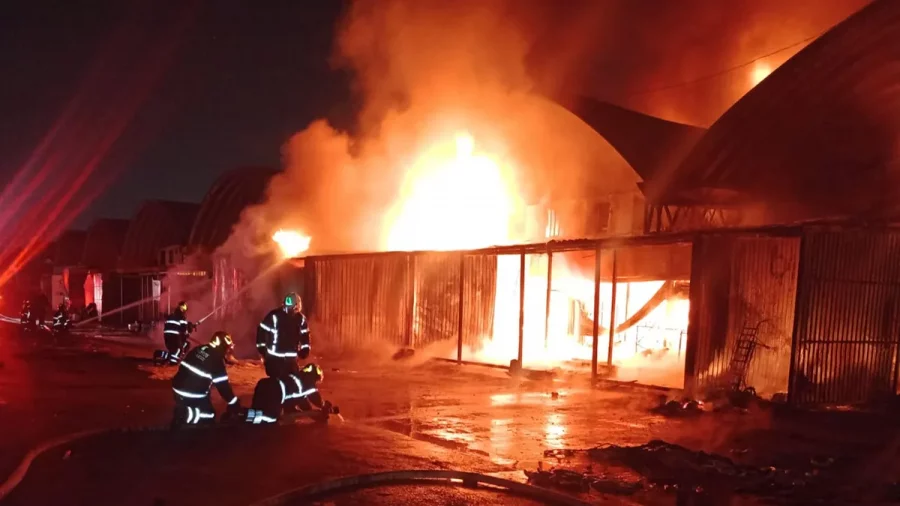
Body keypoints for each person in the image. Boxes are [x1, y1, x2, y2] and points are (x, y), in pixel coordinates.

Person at [171, 331, 241, 428]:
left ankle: (185, 407)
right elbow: (223, 387)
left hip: (177, 387)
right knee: (209, 415)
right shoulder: (216, 359)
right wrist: (234, 403)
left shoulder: (200, 349)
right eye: (227, 348)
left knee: (206, 400)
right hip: (190, 392)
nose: (227, 351)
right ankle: (185, 414)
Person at [246, 363, 334, 424]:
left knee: (257, 410)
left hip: (265, 384)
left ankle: (244, 416)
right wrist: (324, 406)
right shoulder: (308, 383)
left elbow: (304, 406)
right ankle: (243, 417)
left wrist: (317, 417)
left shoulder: (298, 380)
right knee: (269, 418)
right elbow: (316, 399)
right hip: (276, 391)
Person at [255, 292, 311, 378]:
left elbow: (305, 335)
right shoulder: (275, 316)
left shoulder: (300, 319)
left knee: (289, 384)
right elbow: (262, 330)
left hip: (288, 361)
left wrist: (305, 350)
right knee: (279, 384)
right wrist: (262, 348)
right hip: (275, 360)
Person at [162, 301, 195, 365]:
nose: (186, 308)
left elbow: (176, 325)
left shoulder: (172, 315)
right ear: (181, 307)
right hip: (175, 336)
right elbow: (183, 329)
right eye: (185, 306)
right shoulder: (181, 316)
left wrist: (189, 325)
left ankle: (162, 355)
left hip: (167, 336)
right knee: (180, 348)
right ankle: (173, 363)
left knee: (174, 350)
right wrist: (189, 329)